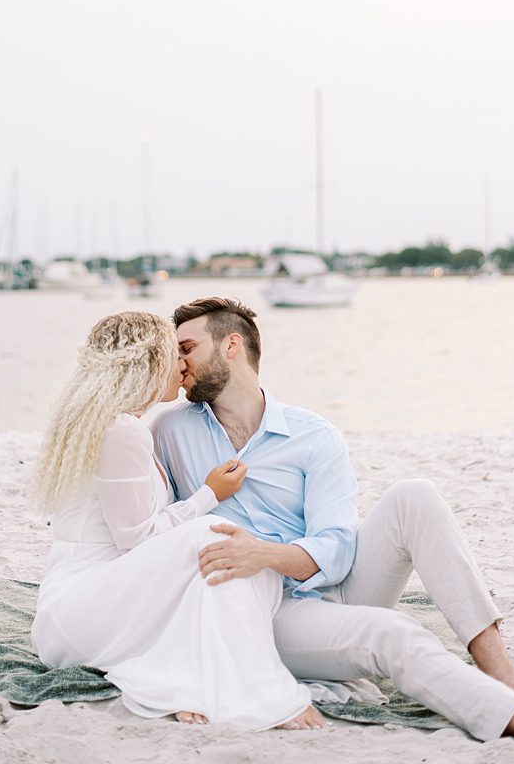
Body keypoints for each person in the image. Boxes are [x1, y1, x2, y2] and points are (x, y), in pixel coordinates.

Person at [150, 296, 514, 749]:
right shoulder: (170, 432)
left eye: (187, 348)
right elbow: (152, 531)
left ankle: (503, 674)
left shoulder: (312, 434)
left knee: (415, 494)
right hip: (265, 611)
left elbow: (337, 546)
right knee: (391, 632)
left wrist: (265, 552)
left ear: (231, 345)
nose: (178, 363)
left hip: (337, 586)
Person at [30, 311, 322, 731]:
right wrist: (209, 496)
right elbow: (137, 539)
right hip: (79, 610)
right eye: (175, 354)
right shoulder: (120, 431)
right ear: (148, 365)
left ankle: (194, 679)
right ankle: (263, 689)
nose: (183, 366)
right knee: (211, 537)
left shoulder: (121, 424)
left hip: (96, 601)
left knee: (248, 561)